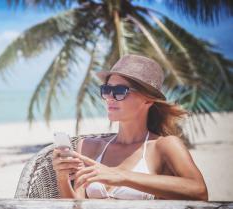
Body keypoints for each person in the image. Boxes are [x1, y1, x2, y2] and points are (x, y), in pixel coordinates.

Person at [52, 54, 208, 200]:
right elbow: (77, 206)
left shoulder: (164, 146)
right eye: (107, 90)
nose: (110, 98)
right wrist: (62, 177)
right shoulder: (90, 146)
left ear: (148, 100)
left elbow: (199, 191)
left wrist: (122, 176)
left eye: (120, 91)